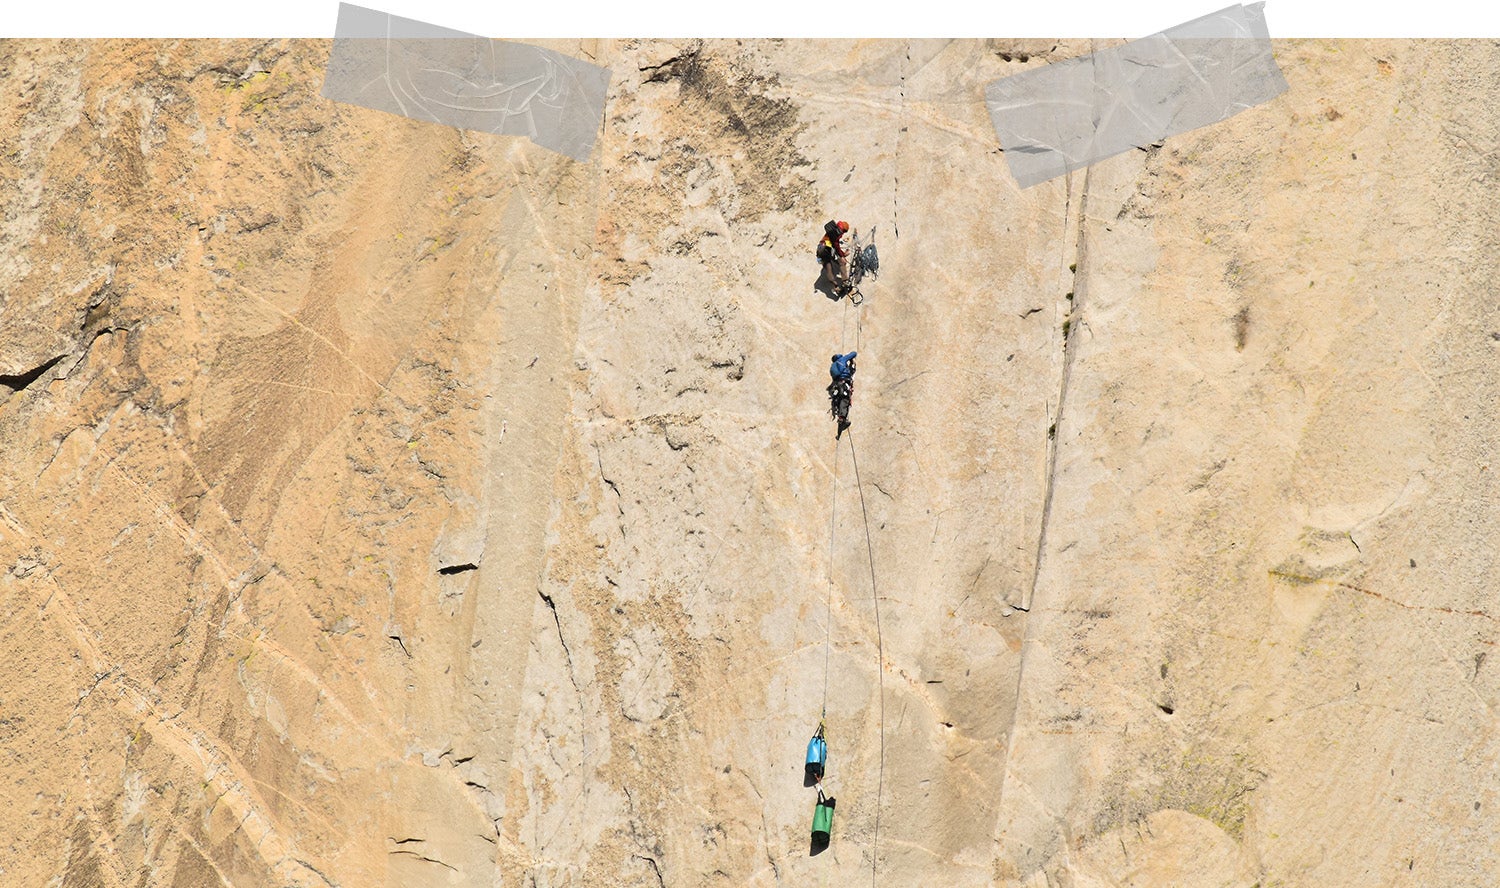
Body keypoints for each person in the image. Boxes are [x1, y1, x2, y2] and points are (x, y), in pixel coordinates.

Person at [817, 220, 851, 293]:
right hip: (826, 251)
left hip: (821, 250)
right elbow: (837, 247)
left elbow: (834, 245)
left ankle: (836, 287)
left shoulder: (833, 231)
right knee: (842, 262)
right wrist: (843, 255)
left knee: (829, 269)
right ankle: (845, 282)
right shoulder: (836, 234)